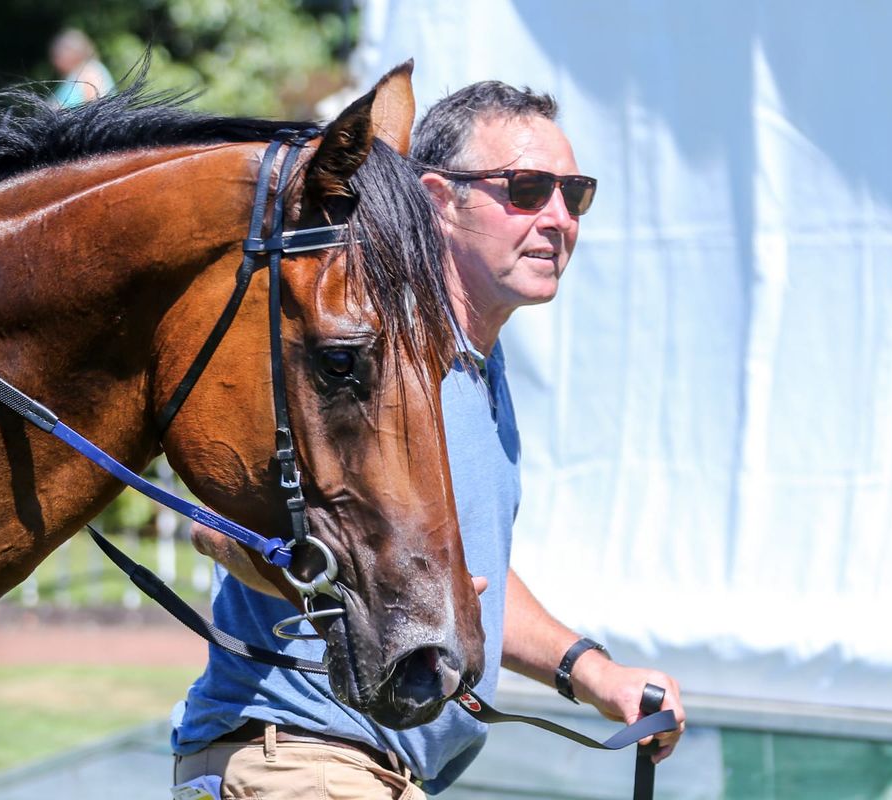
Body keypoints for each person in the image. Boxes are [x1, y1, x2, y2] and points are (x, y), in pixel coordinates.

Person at [171, 81, 687, 799]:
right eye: (529, 189)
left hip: (384, 773)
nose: (559, 218)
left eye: (576, 194)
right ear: (441, 200)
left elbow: (466, 575)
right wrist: (357, 591)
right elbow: (212, 521)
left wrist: (593, 672)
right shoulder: (356, 349)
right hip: (299, 756)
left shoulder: (481, 368)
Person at [48, 28, 115, 108]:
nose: (54, 62)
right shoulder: (77, 73)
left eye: (57, 56)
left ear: (71, 53)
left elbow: (97, 109)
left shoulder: (89, 72)